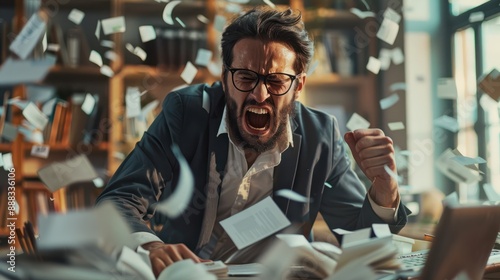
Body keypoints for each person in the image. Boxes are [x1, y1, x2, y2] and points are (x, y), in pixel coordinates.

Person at [96, 6, 409, 277]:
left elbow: (360, 240)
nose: (260, 95)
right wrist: (151, 246)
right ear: (225, 78)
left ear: (298, 86)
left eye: (275, 81)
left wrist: (385, 191)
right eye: (246, 77)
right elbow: (119, 200)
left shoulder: (320, 137)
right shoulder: (186, 114)